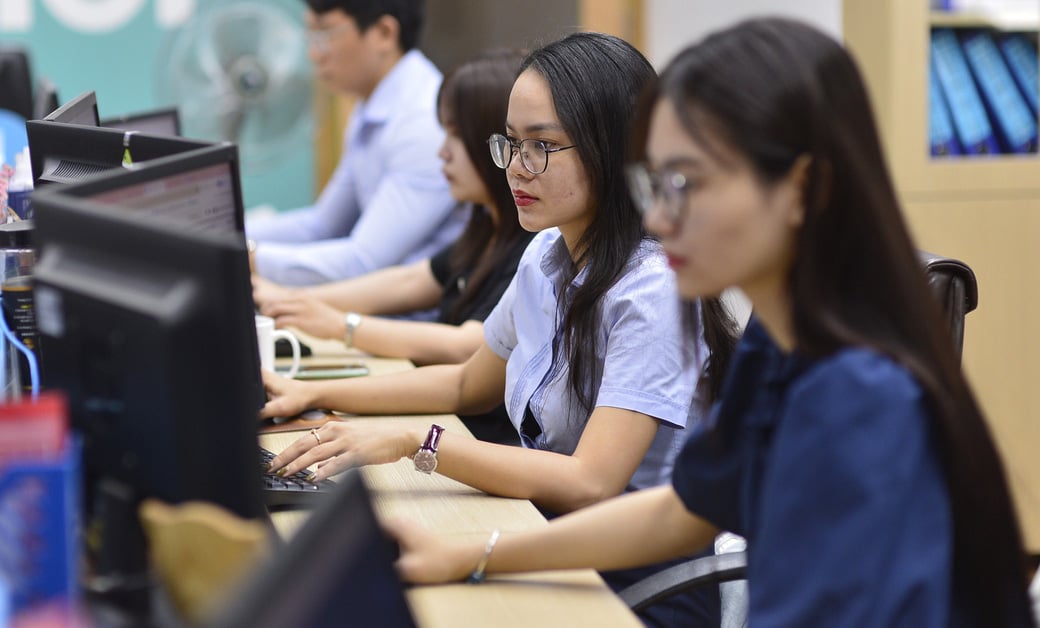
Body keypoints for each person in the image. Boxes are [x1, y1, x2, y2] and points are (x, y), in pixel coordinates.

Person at [385, 18, 1036, 627]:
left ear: (804, 189)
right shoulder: (779, 345)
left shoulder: (856, 399)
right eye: (655, 184)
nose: (661, 220)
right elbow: (683, 510)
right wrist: (478, 555)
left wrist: (432, 454)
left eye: (688, 185)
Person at [265, 32, 737, 625]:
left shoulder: (654, 290)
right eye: (510, 143)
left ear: (613, 150)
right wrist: (317, 394)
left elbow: (592, 482)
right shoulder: (545, 256)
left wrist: (419, 443)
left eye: (541, 146)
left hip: (636, 577)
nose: (517, 168)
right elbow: (468, 385)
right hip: (543, 528)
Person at [253, 48, 534, 444]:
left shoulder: (533, 246)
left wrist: (342, 325)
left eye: (457, 133)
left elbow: (465, 347)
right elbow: (407, 282)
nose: (442, 151)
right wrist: (295, 301)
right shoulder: (485, 229)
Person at [245, 0, 467, 286]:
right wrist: (227, 234)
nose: (314, 53)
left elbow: (362, 262)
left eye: (325, 35)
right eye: (311, 36)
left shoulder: (422, 121)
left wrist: (244, 255)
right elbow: (322, 225)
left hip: (416, 318)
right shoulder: (370, 105)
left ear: (384, 33)